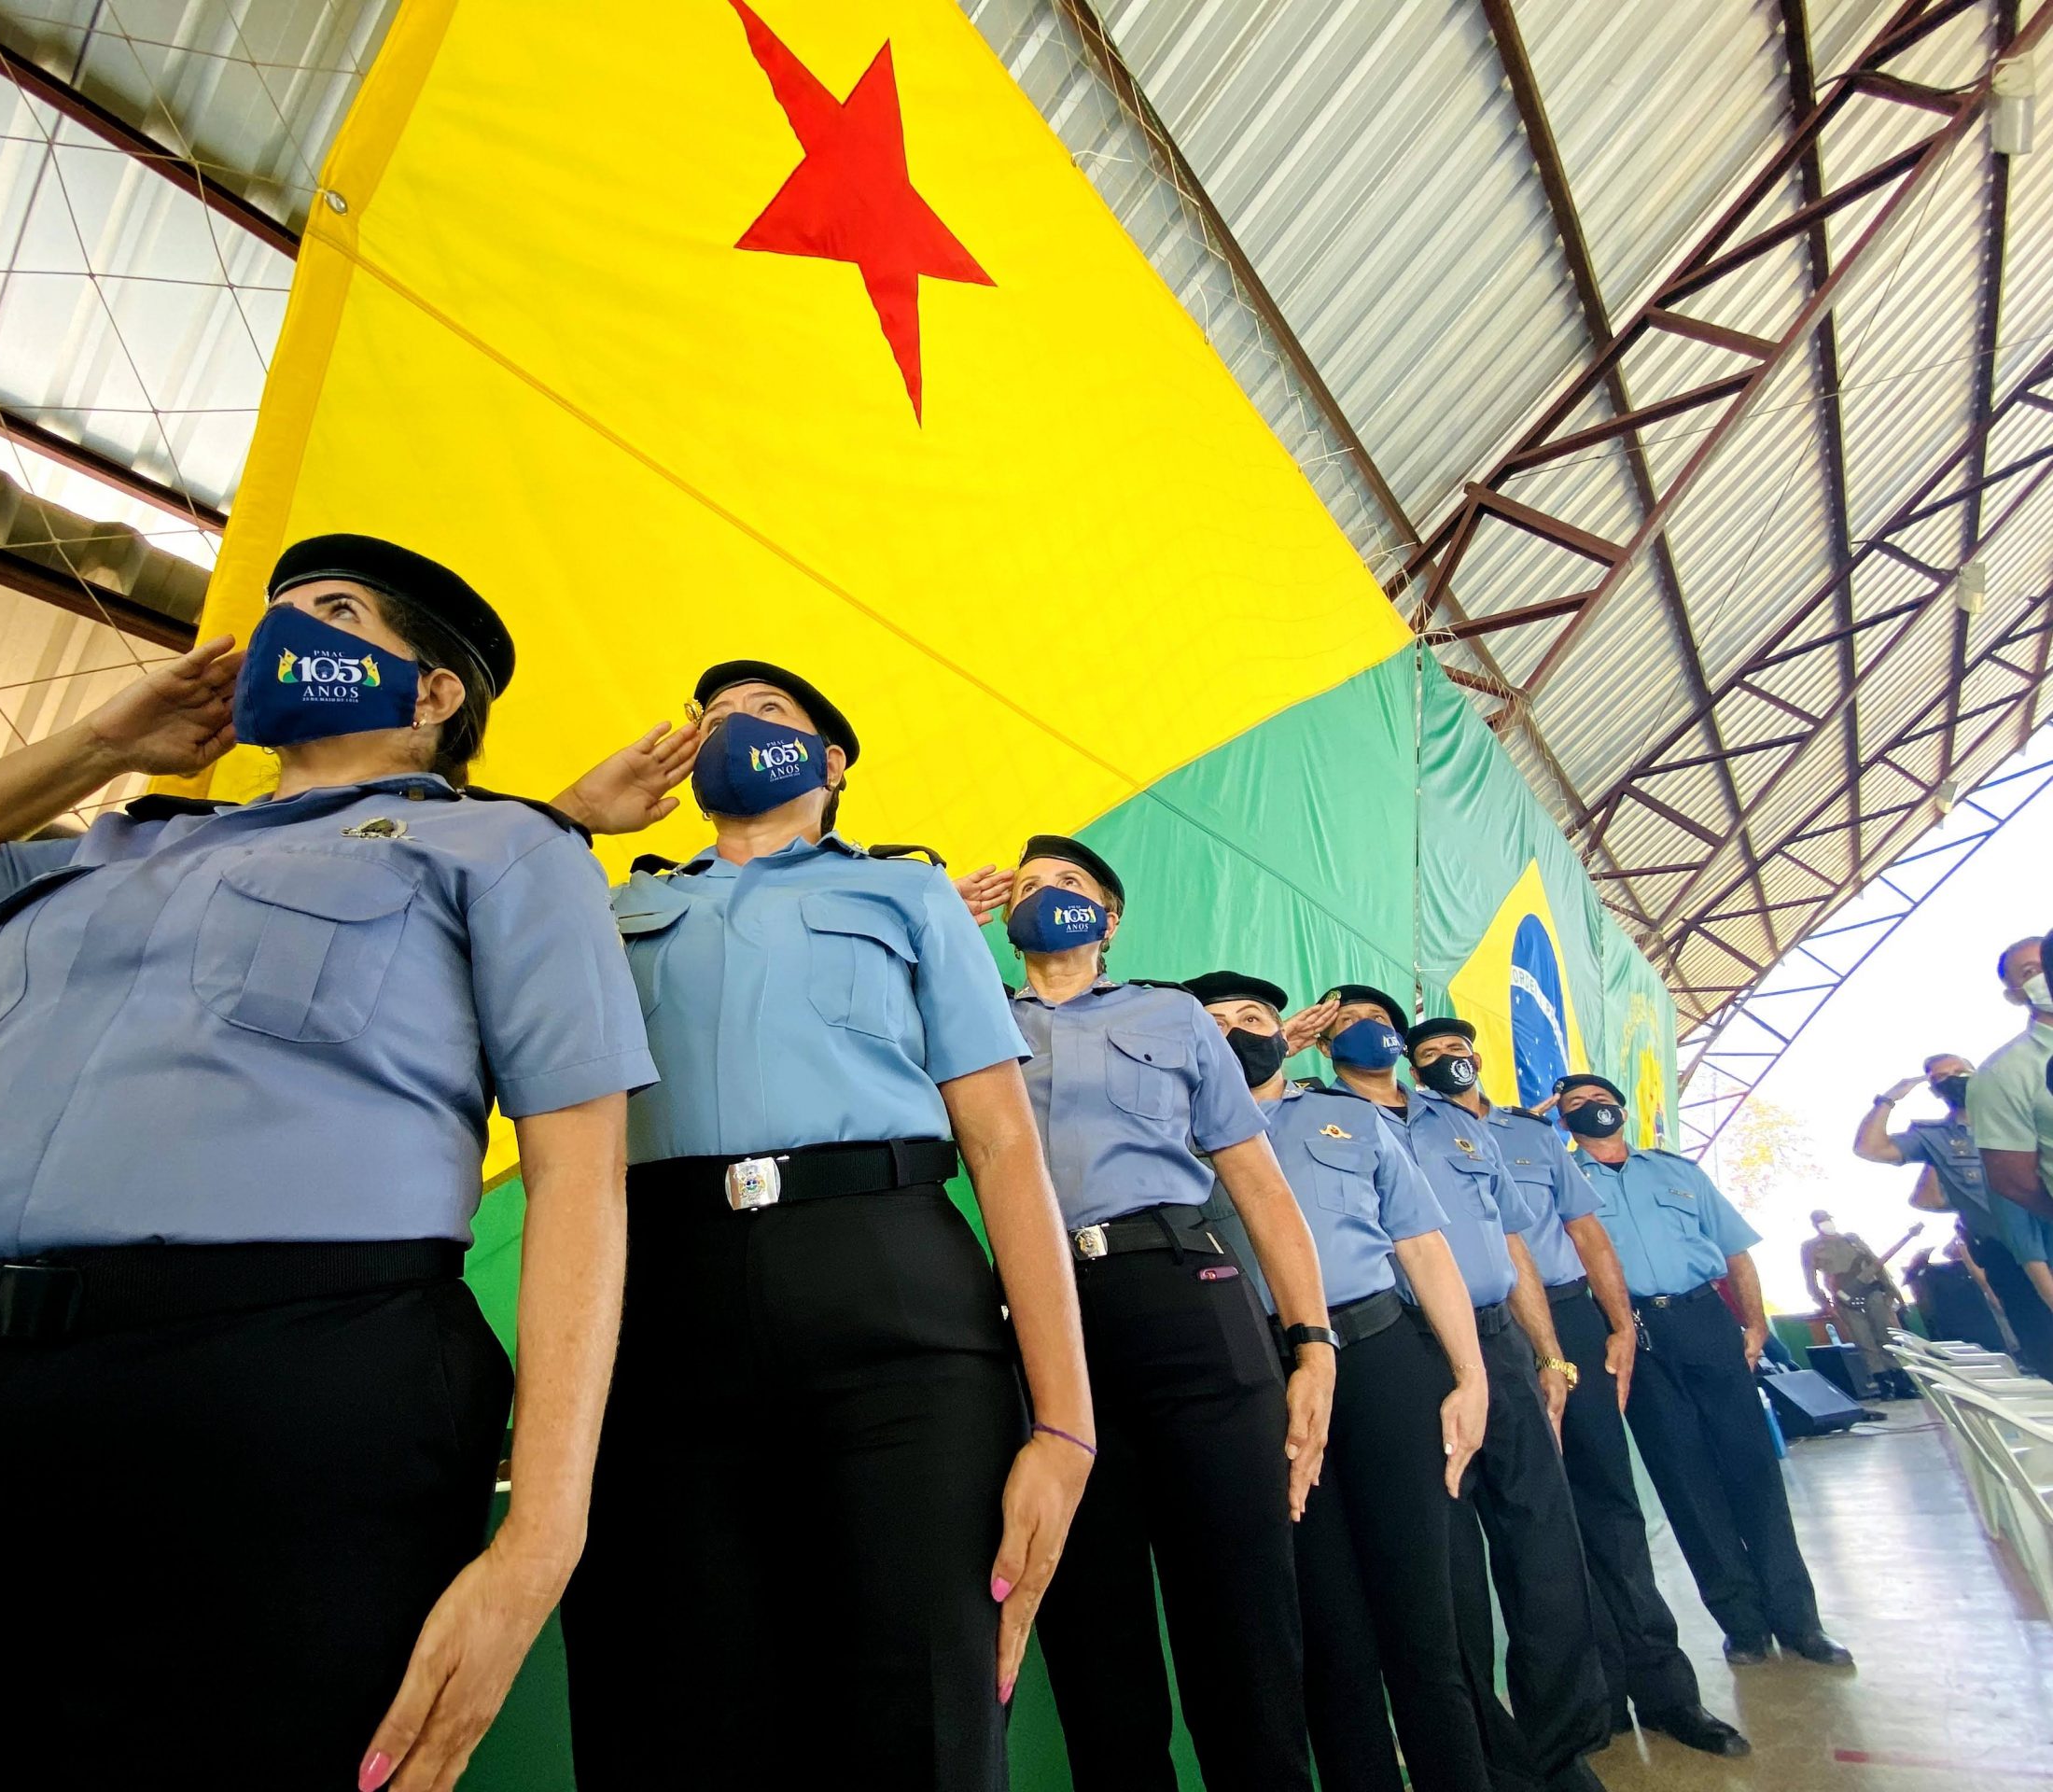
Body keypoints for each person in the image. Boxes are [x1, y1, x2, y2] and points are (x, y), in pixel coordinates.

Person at [0, 535, 656, 1792]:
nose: (283, 631)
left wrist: (542, 1534)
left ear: (437, 690)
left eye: (335, 611)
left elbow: (581, 1172)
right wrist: (98, 748)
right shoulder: (104, 849)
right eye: (275, 612)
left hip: (283, 1392)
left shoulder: (500, 848)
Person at [559, 662, 1095, 1792]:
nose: (732, 728)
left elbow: (1001, 1147)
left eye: (769, 714)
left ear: (832, 762)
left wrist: (1065, 1425)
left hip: (890, 1286)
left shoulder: (908, 897)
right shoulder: (609, 906)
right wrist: (568, 822)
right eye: (712, 716)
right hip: (668, 1299)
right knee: (672, 1696)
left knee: (920, 1705)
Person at [996, 842, 1332, 1792]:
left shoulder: (1174, 1015)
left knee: (1243, 1625)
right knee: (1095, 1638)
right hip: (1045, 1327)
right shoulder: (974, 1021)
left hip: (1189, 1299)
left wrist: (1312, 1342)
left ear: (1108, 918)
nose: (1042, 900)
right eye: (1023, 890)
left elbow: (1261, 1191)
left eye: (1067, 887)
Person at [1187, 973, 1495, 1792]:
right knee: (1329, 1634)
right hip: (1266, 1378)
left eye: (1253, 1018)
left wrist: (1469, 1376)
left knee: (1425, 1623)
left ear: (1284, 1031)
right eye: (1211, 1023)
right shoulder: (1174, 1131)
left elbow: (1423, 1245)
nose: (1235, 1031)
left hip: (1385, 1359)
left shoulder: (1349, 1117)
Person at [1408, 1021, 1746, 1760]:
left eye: (1455, 1047)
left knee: (1609, 1511)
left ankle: (1666, 1694)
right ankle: (1579, 1713)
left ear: (1479, 1051)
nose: (1445, 1061)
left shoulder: (1533, 1140)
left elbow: (1588, 1235)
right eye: (1426, 1054)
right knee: (1531, 1531)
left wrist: (1619, 1327)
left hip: (1571, 1320)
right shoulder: (1410, 1130)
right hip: (1472, 1329)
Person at [1323, 989, 1611, 1792]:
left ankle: (1560, 1750)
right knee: (1447, 1573)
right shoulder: (1313, 1121)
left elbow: (1513, 1243)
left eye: (1378, 1019)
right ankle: (1492, 1760)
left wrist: (1550, 1357)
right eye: (1344, 1022)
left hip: (1501, 1345)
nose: (1368, 1032)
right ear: (1323, 1042)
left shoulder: (1459, 1123)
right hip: (1401, 1352)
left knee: (1543, 1544)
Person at [1557, 1073, 1852, 1669]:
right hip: (1631, 1338)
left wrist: (1755, 1324)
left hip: (1705, 1323)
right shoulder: (1562, 1182)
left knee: (1753, 1472)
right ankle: (1741, 1624)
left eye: (1599, 1100)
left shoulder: (1678, 1172)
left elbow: (1736, 1252)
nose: (1593, 1110)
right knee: (1685, 1484)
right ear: (1563, 1124)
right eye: (1575, 1107)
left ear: (1619, 1105)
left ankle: (1799, 1620)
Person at [1854, 1046, 2053, 1376]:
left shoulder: (2021, 1115)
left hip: (2047, 1232)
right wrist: (1888, 1099)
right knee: (2044, 1345)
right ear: (1933, 1090)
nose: (1953, 1081)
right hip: (2005, 1253)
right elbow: (1870, 1148)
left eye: (1959, 1072)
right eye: (1941, 1078)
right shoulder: (1934, 1138)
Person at [1973, 937, 2053, 1227]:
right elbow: (2013, 1182)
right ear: (2015, 996)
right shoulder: (2001, 1074)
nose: (2047, 976)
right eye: (2031, 972)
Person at [1798, 1211, 1901, 1390]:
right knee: (1863, 1339)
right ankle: (1882, 1382)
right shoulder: (1810, 1247)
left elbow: (1876, 1263)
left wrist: (1890, 1290)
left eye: (1827, 1219)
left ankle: (1900, 1380)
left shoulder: (1851, 1239)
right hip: (1843, 1296)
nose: (1826, 1223)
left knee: (1885, 1334)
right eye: (1821, 1221)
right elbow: (1810, 1278)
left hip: (1871, 1289)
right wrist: (1823, 1302)